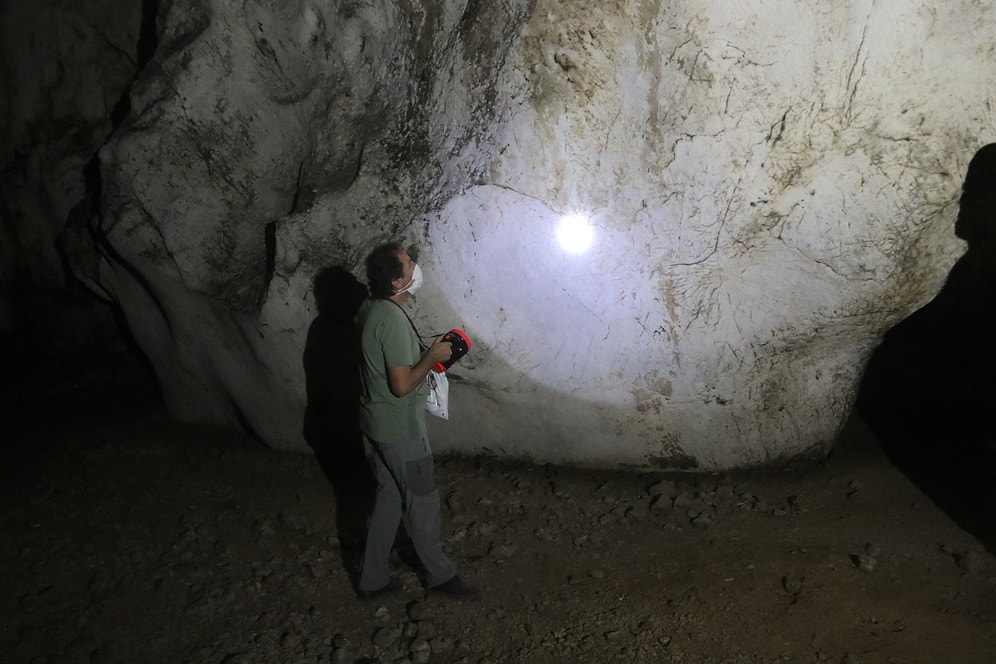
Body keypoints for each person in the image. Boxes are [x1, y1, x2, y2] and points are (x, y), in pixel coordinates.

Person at [354, 241, 479, 600]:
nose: (414, 266)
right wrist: (434, 355)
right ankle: (441, 577)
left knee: (388, 499)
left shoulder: (369, 308)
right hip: (401, 430)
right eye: (409, 265)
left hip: (375, 423)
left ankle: (372, 580)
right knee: (422, 500)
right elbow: (402, 384)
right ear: (397, 282)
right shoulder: (391, 321)